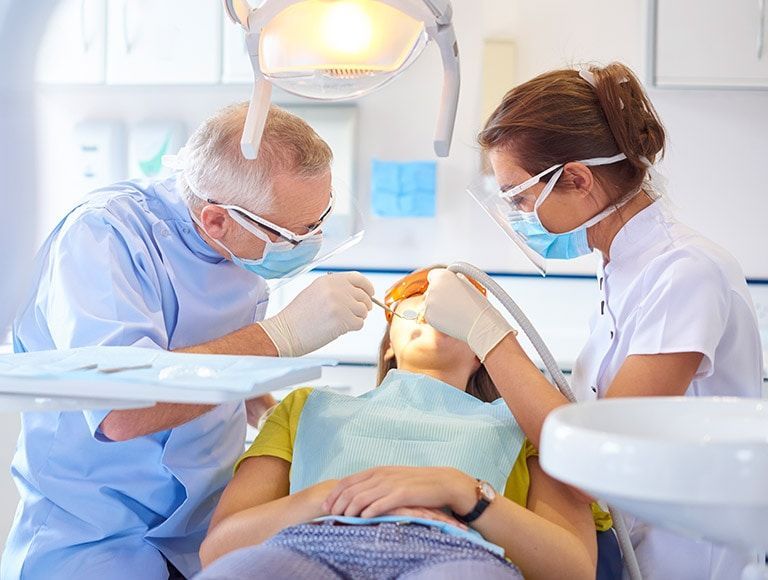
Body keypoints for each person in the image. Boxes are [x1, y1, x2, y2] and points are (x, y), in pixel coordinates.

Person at [2, 103, 375, 580]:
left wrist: (263, 407)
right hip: (95, 535)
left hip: (202, 530)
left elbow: (207, 351)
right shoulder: (103, 238)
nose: (312, 241)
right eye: (294, 234)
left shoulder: (241, 243)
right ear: (216, 220)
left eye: (321, 218)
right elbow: (124, 411)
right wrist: (281, 336)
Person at [422, 63, 764, 580]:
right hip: (630, 546)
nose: (516, 213)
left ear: (577, 178)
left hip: (687, 558)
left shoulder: (685, 272)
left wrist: (489, 337)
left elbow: (598, 463)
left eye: (518, 195)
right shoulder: (622, 266)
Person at [195, 267, 599, 580]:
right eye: (416, 298)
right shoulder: (305, 408)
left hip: (456, 554)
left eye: (458, 311)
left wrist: (463, 492)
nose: (431, 307)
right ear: (388, 342)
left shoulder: (528, 427)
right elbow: (219, 550)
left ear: (481, 350)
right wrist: (334, 495)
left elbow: (574, 569)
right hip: (310, 543)